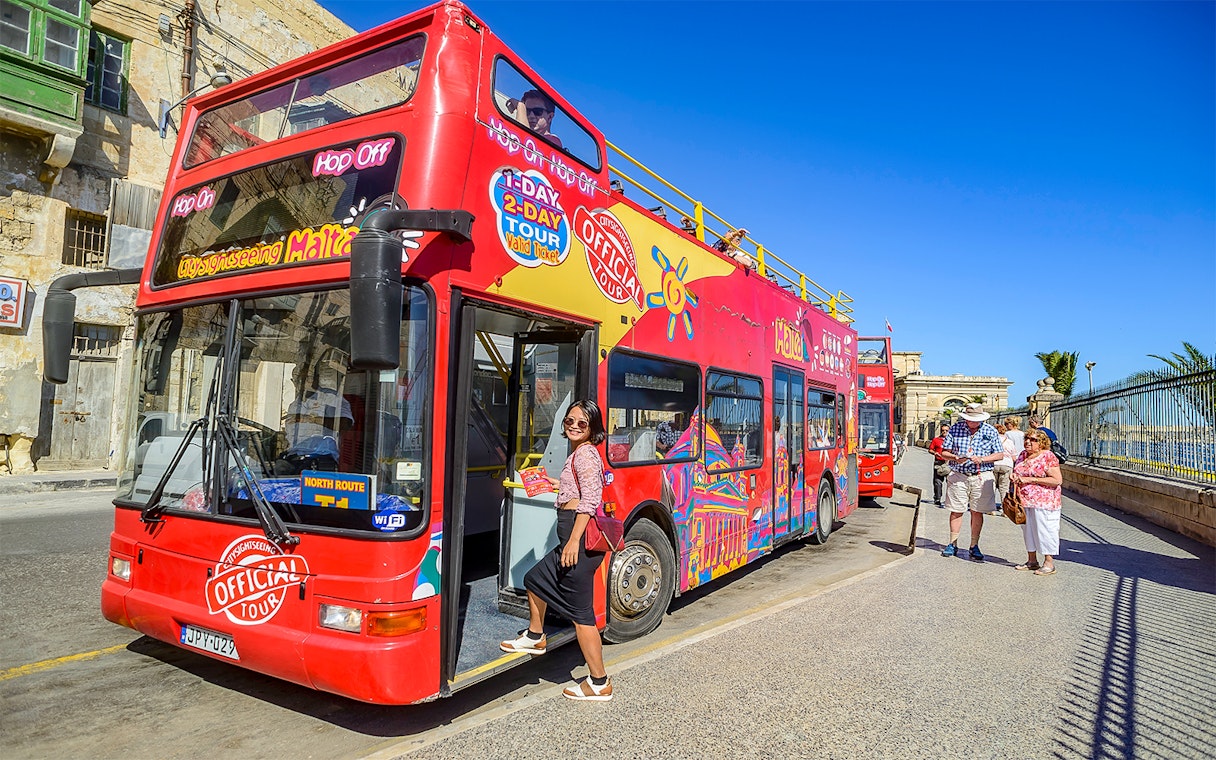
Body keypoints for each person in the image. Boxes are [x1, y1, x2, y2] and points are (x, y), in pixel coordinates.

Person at [499, 399, 613, 701]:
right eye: (569, 421)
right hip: (570, 540)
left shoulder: (586, 455)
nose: (574, 426)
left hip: (579, 543)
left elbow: (589, 500)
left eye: (582, 423)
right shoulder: (578, 454)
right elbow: (576, 491)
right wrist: (554, 483)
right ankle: (536, 637)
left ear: (592, 429)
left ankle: (599, 682)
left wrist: (574, 541)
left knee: (582, 616)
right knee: (535, 579)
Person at [940, 403, 1005, 560]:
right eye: (969, 419)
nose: (972, 423)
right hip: (959, 474)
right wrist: (955, 457)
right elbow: (943, 452)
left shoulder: (990, 431)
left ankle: (974, 545)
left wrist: (982, 459)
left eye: (975, 420)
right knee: (956, 510)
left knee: (977, 511)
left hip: (980, 475)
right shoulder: (955, 429)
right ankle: (952, 543)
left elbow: (999, 454)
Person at [1011, 429, 1063, 575]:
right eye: (1027, 438)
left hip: (1044, 501)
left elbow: (1057, 480)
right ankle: (1032, 560)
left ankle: (1049, 562)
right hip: (1025, 500)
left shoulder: (1048, 456)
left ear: (1041, 443)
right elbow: (1020, 471)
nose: (1028, 441)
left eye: (1033, 439)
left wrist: (1031, 479)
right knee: (1028, 530)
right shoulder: (1023, 455)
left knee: (1045, 530)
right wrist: (1015, 476)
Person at [993, 419, 1016, 500]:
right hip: (1007, 464)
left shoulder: (993, 440)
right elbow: (1014, 457)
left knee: (992, 487)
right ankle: (1005, 509)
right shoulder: (1009, 442)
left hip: (994, 464)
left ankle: (990, 509)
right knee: (1004, 488)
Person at [928, 423, 950, 506]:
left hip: (950, 463)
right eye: (943, 430)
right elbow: (930, 449)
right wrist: (935, 453)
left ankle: (950, 500)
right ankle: (937, 498)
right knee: (937, 482)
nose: (944, 432)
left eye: (946, 430)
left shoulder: (952, 440)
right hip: (939, 463)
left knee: (951, 482)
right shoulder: (936, 440)